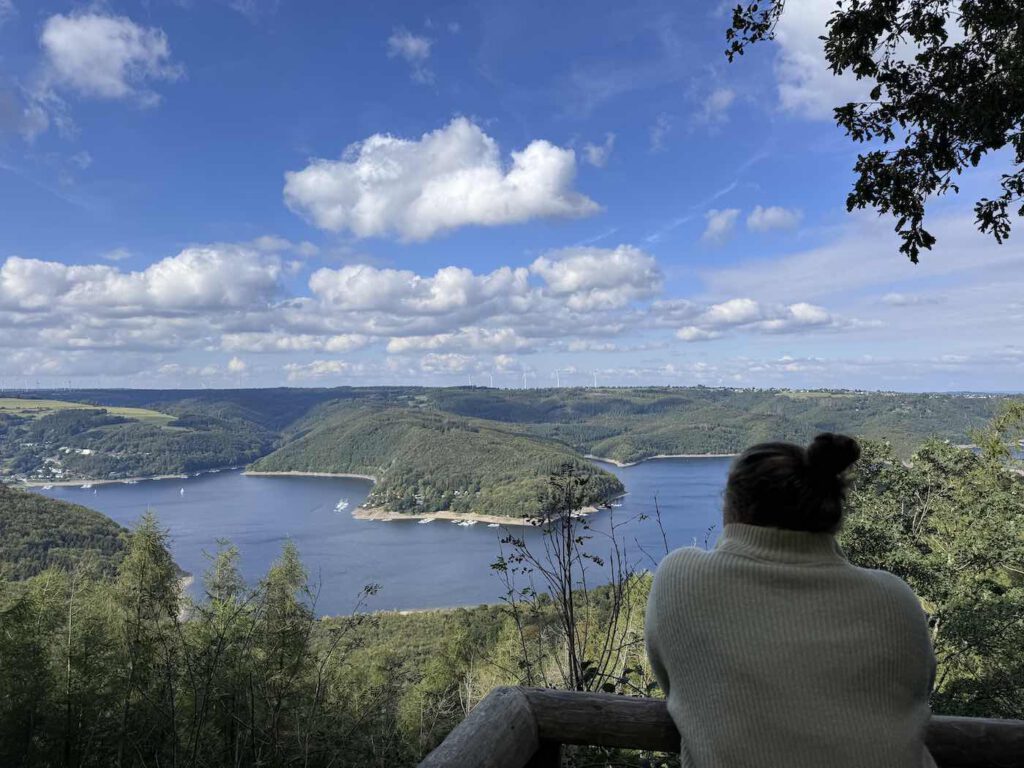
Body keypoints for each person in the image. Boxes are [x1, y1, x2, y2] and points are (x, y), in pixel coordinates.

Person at [645, 433, 937, 768]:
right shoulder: (894, 598)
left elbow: (673, 681)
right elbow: (918, 692)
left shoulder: (681, 578)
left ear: (731, 506)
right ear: (832, 512)